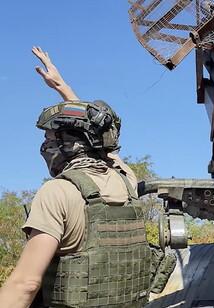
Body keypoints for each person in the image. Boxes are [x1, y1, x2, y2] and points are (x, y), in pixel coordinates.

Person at [0, 47, 151, 308]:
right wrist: (62, 87)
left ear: (68, 146)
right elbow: (99, 136)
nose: (45, 146)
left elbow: (26, 285)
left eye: (49, 139)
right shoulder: (126, 179)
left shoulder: (58, 192)